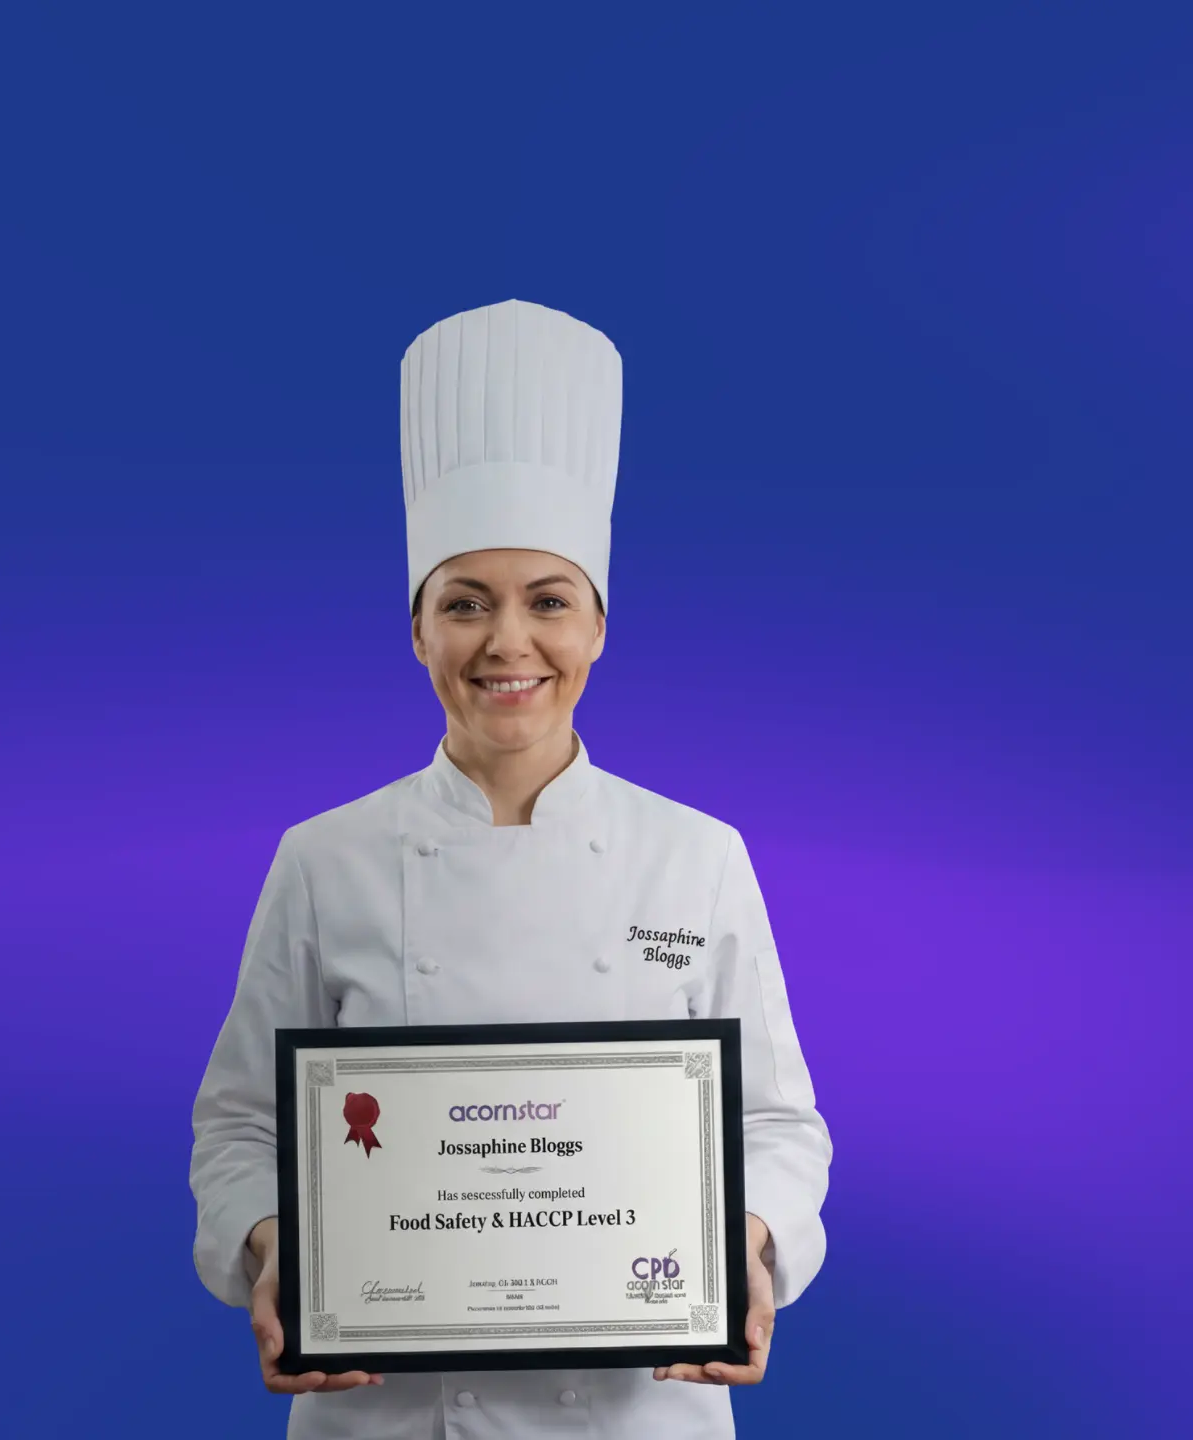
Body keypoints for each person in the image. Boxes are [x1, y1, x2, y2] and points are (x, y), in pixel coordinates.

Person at [187, 299, 832, 1439]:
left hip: (638, 1414)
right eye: (465, 604)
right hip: (388, 1415)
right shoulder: (324, 861)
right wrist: (276, 1246)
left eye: (548, 602)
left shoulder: (696, 857)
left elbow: (778, 1125)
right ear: (418, 630)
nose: (507, 644)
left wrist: (744, 1242)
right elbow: (240, 1124)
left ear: (597, 628)